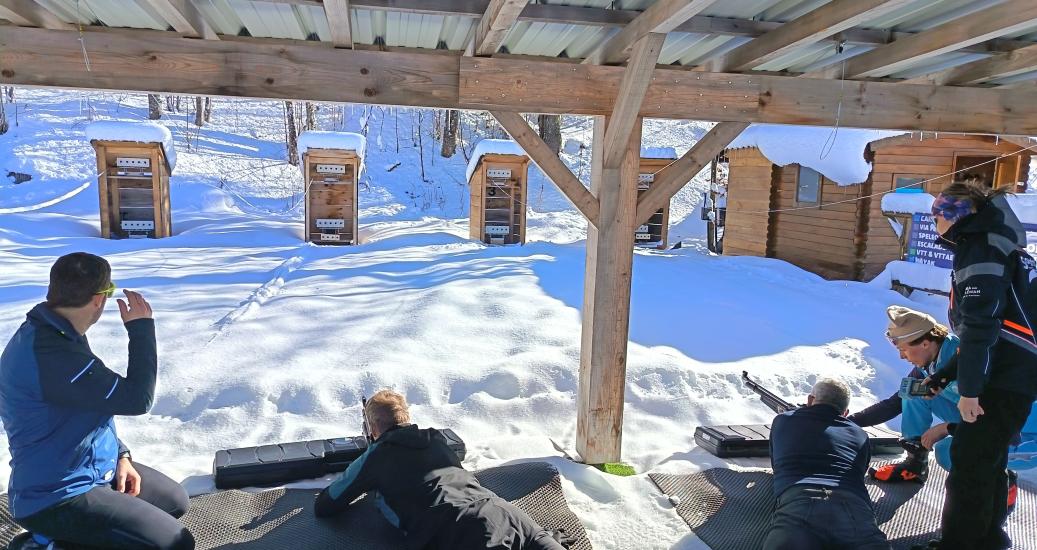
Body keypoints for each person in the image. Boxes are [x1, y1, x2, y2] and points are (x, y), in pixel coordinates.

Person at [0, 253, 193, 550]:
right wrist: (141, 328)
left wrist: (120, 455)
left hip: (87, 468)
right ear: (99, 300)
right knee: (173, 544)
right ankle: (43, 545)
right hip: (55, 495)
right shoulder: (53, 355)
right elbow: (136, 399)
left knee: (173, 503)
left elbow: (93, 403)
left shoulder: (57, 330)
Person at [920, 181, 1037, 550]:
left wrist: (968, 392)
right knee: (988, 462)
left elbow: (982, 328)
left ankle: (961, 543)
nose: (934, 221)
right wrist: (945, 375)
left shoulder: (983, 249)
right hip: (1015, 373)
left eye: (937, 214)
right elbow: (990, 330)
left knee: (968, 468)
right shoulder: (999, 244)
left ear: (955, 216)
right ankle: (988, 538)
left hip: (1004, 381)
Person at [314, 389, 569, 550]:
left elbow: (326, 505)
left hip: (459, 528)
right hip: (504, 511)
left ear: (372, 429)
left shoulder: (377, 455)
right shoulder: (437, 440)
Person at [763, 378, 890, 550]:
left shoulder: (783, 421)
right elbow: (860, 471)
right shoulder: (860, 434)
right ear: (845, 413)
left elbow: (776, 465)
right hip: (853, 505)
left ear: (810, 400)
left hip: (800, 501)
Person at [849, 306, 961, 483]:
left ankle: (1002, 481)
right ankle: (915, 465)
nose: (901, 357)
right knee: (912, 390)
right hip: (968, 416)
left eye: (904, 349)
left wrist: (946, 428)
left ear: (924, 343)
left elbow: (996, 415)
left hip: (1007, 430)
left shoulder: (963, 358)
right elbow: (895, 403)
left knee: (948, 452)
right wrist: (849, 422)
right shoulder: (929, 361)